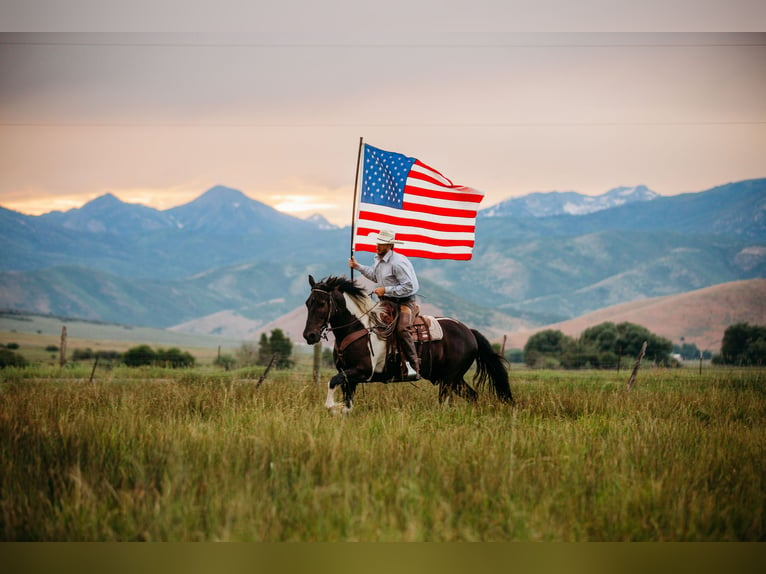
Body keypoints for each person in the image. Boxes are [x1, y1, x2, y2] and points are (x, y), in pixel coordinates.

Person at [349, 229, 420, 380]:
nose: (377, 246)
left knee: (402, 329)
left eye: (381, 244)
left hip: (405, 303)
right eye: (378, 242)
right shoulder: (378, 258)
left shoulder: (398, 263)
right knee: (368, 323)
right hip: (385, 303)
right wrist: (358, 266)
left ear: (389, 245)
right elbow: (375, 275)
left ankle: (413, 366)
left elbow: (410, 287)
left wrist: (385, 289)